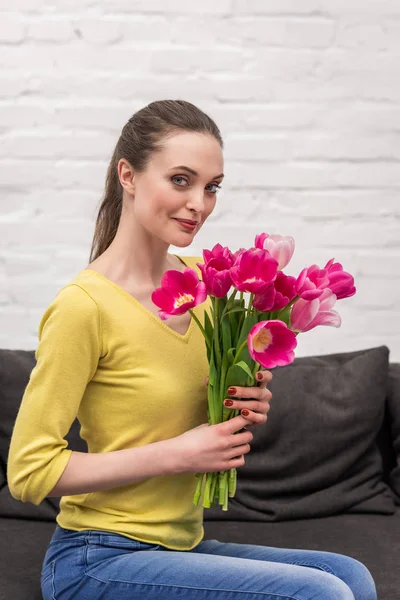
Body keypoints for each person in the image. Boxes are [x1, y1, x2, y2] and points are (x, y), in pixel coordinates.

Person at [7, 99, 377, 600]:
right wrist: (177, 454)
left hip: (177, 546)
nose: (199, 203)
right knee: (322, 594)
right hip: (96, 557)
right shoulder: (84, 307)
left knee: (352, 577)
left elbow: (202, 390)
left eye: (212, 187)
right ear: (128, 175)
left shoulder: (210, 283)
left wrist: (245, 394)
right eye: (181, 180)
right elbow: (29, 473)